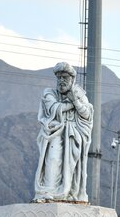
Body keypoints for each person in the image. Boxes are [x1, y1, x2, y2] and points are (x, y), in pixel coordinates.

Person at [33, 62, 94, 203]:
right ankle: (48, 191)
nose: (61, 81)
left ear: (72, 79)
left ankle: (70, 192)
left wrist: (77, 103)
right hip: (55, 133)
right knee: (53, 159)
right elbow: (53, 108)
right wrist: (72, 104)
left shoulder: (80, 94)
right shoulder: (50, 93)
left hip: (73, 136)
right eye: (59, 78)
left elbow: (87, 115)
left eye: (65, 77)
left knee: (71, 165)